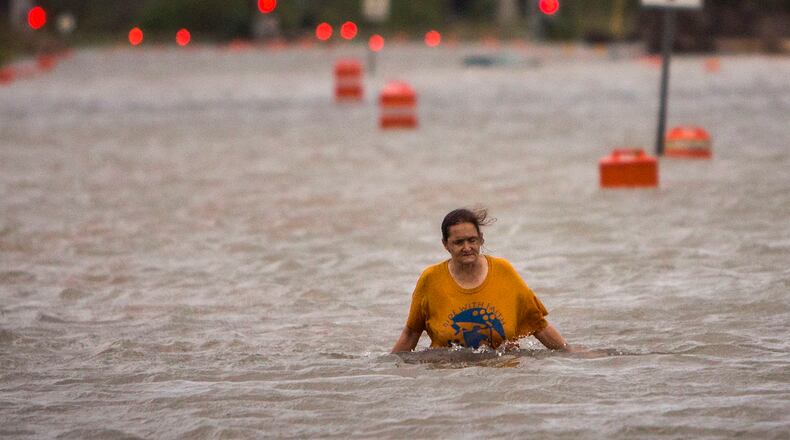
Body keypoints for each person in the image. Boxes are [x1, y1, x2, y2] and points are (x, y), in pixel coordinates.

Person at [391, 208, 574, 353]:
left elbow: (538, 325)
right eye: (458, 242)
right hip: (448, 380)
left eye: (472, 240)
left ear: (481, 240)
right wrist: (388, 369)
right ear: (445, 245)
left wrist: (572, 353)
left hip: (501, 378)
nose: (467, 248)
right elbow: (411, 333)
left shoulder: (504, 271)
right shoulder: (430, 279)